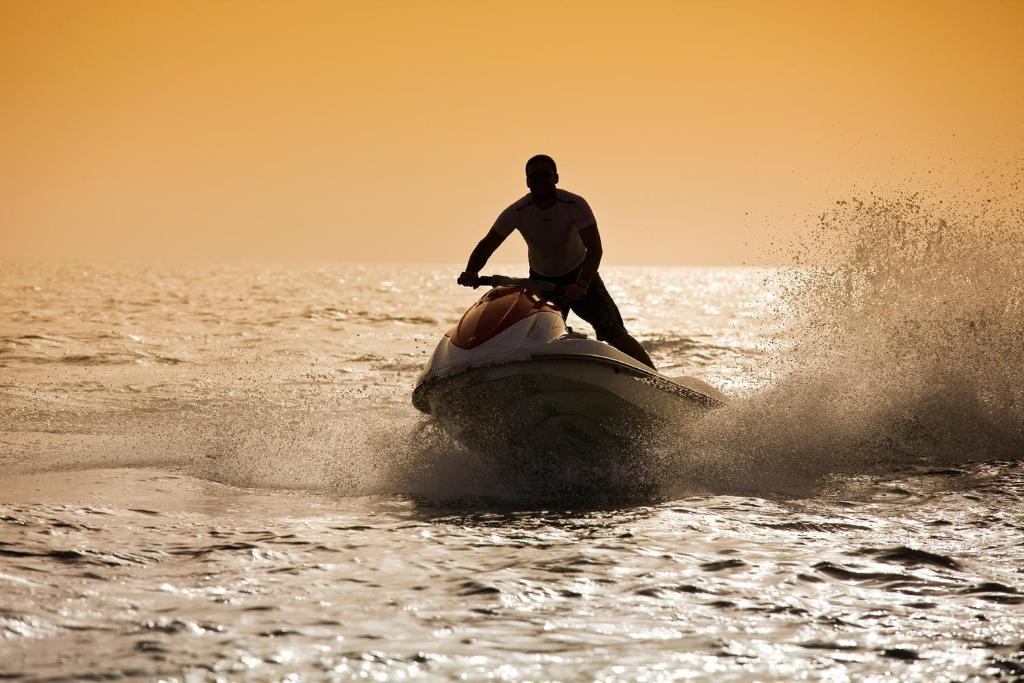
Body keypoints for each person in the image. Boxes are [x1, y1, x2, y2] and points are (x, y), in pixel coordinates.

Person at [458, 154, 655, 369]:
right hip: (541, 283)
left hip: (580, 277)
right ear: (527, 182)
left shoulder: (574, 204)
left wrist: (581, 284)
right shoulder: (517, 211)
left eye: (545, 175)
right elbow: (488, 244)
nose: (540, 180)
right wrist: (471, 271)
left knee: (613, 333)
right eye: (534, 176)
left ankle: (657, 380)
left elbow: (595, 249)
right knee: (535, 341)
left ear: (556, 178)